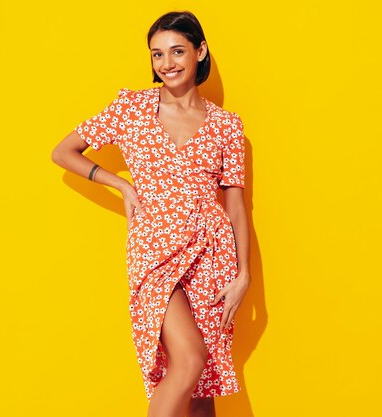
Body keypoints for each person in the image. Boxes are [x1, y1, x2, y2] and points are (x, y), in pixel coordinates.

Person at [51, 10, 251, 417]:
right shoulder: (132, 108)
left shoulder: (227, 125)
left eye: (177, 51)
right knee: (190, 359)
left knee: (202, 384)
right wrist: (121, 183)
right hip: (154, 250)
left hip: (211, 256)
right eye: (157, 55)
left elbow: (235, 205)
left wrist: (243, 273)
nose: (167, 64)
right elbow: (62, 151)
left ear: (200, 51)